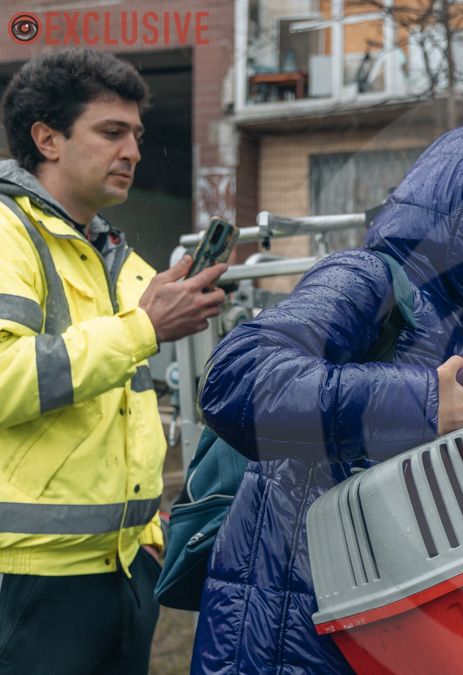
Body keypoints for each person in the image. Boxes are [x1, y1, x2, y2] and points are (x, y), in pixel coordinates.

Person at [192, 124, 463, 673]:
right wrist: (422, 404)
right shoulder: (366, 280)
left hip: (396, 640)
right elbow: (237, 378)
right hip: (292, 645)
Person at [0, 49, 227, 674]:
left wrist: (146, 529)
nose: (131, 150)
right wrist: (145, 327)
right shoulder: (6, 234)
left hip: (125, 570)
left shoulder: (126, 263)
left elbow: (123, 411)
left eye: (136, 135)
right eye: (110, 132)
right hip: (31, 577)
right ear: (46, 138)